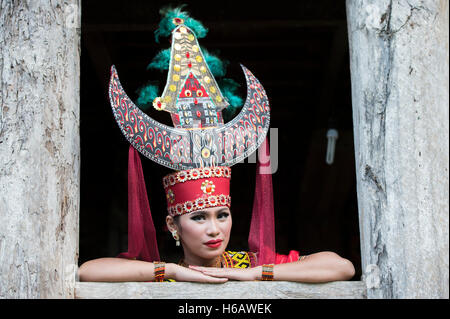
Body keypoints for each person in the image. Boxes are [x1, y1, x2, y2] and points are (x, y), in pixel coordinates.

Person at [78, 7, 355, 283]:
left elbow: (342, 267)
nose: (215, 230)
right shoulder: (165, 278)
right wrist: (173, 270)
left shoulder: (250, 265)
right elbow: (87, 271)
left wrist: (258, 273)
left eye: (222, 215)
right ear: (173, 226)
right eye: (199, 218)